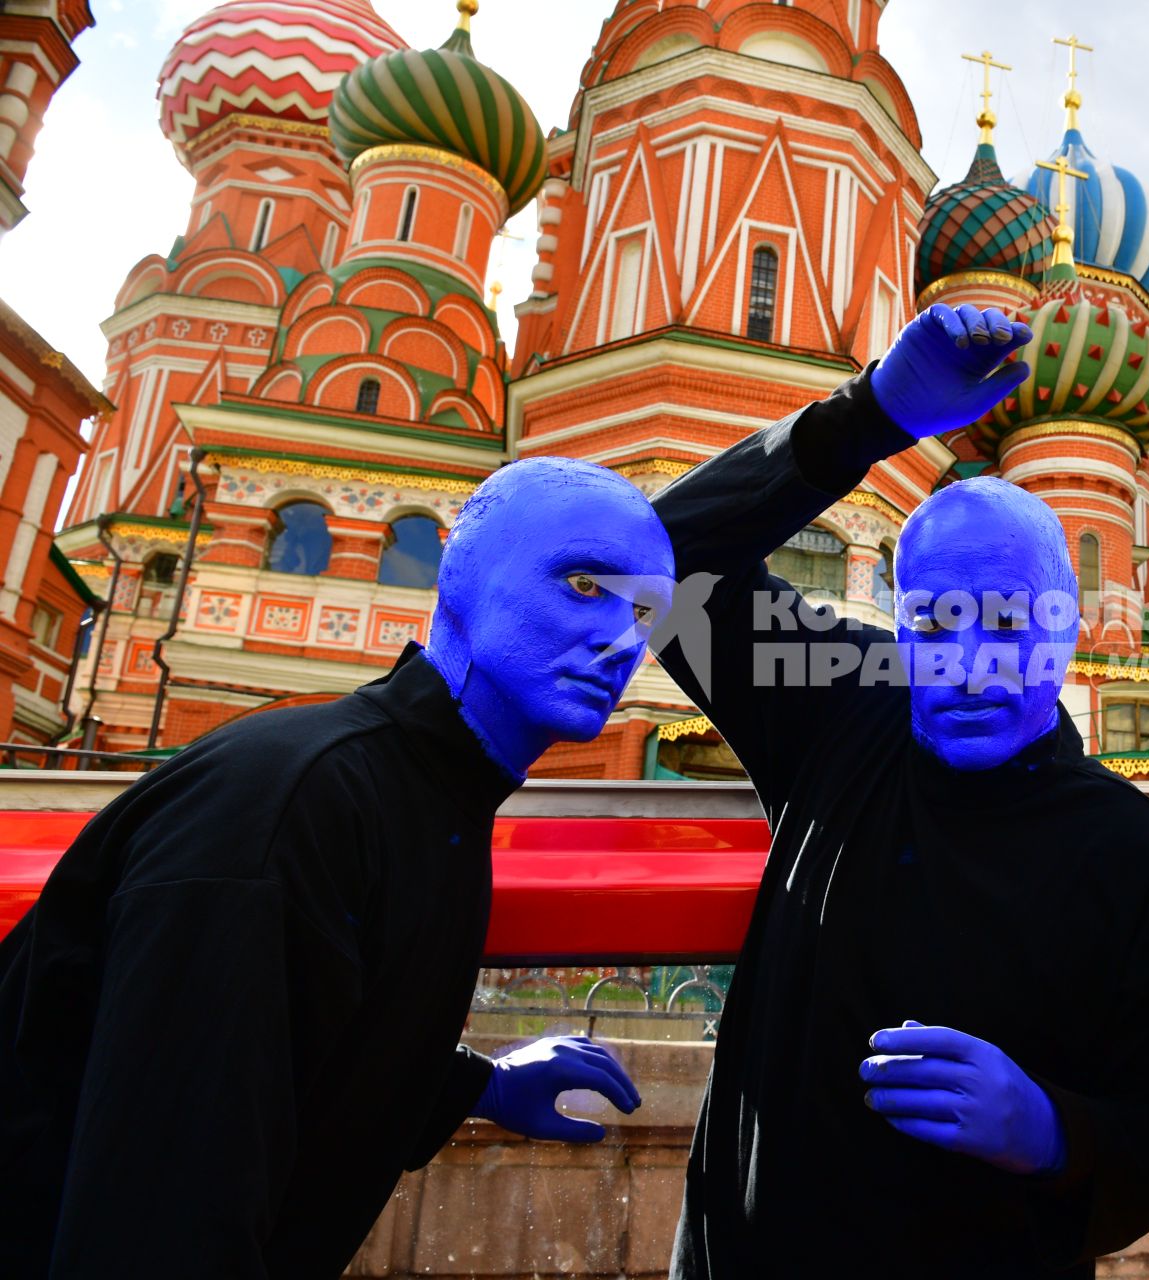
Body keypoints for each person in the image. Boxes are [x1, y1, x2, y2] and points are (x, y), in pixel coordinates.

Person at [0, 456, 670, 1278]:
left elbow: (292, 1035)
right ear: (461, 576)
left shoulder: (425, 797)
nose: (621, 639)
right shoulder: (292, 806)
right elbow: (163, 1207)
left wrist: (473, 1088)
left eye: (645, 610)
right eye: (581, 585)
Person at [651, 303, 1149, 1278]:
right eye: (936, 621)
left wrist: (1052, 1130)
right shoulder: (840, 708)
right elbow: (664, 558)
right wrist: (865, 417)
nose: (969, 662)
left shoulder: (1135, 856)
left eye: (1007, 621)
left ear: (1068, 626)